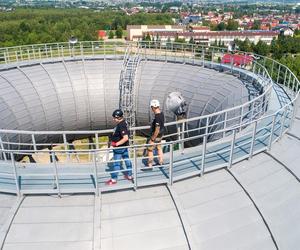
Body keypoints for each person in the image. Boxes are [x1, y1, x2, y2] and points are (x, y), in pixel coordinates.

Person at [106, 109, 133, 185]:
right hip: (124, 147)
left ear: (118, 117)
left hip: (119, 148)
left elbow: (125, 138)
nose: (113, 119)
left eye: (114, 118)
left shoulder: (121, 125)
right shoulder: (124, 123)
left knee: (116, 163)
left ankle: (114, 179)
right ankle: (130, 175)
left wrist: (116, 144)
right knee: (127, 160)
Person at [146, 99, 165, 168]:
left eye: (151, 107)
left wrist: (152, 139)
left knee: (150, 150)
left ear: (153, 107)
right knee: (159, 148)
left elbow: (157, 129)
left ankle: (150, 164)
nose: (151, 109)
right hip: (160, 135)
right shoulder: (161, 113)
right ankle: (161, 161)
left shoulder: (157, 116)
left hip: (155, 136)